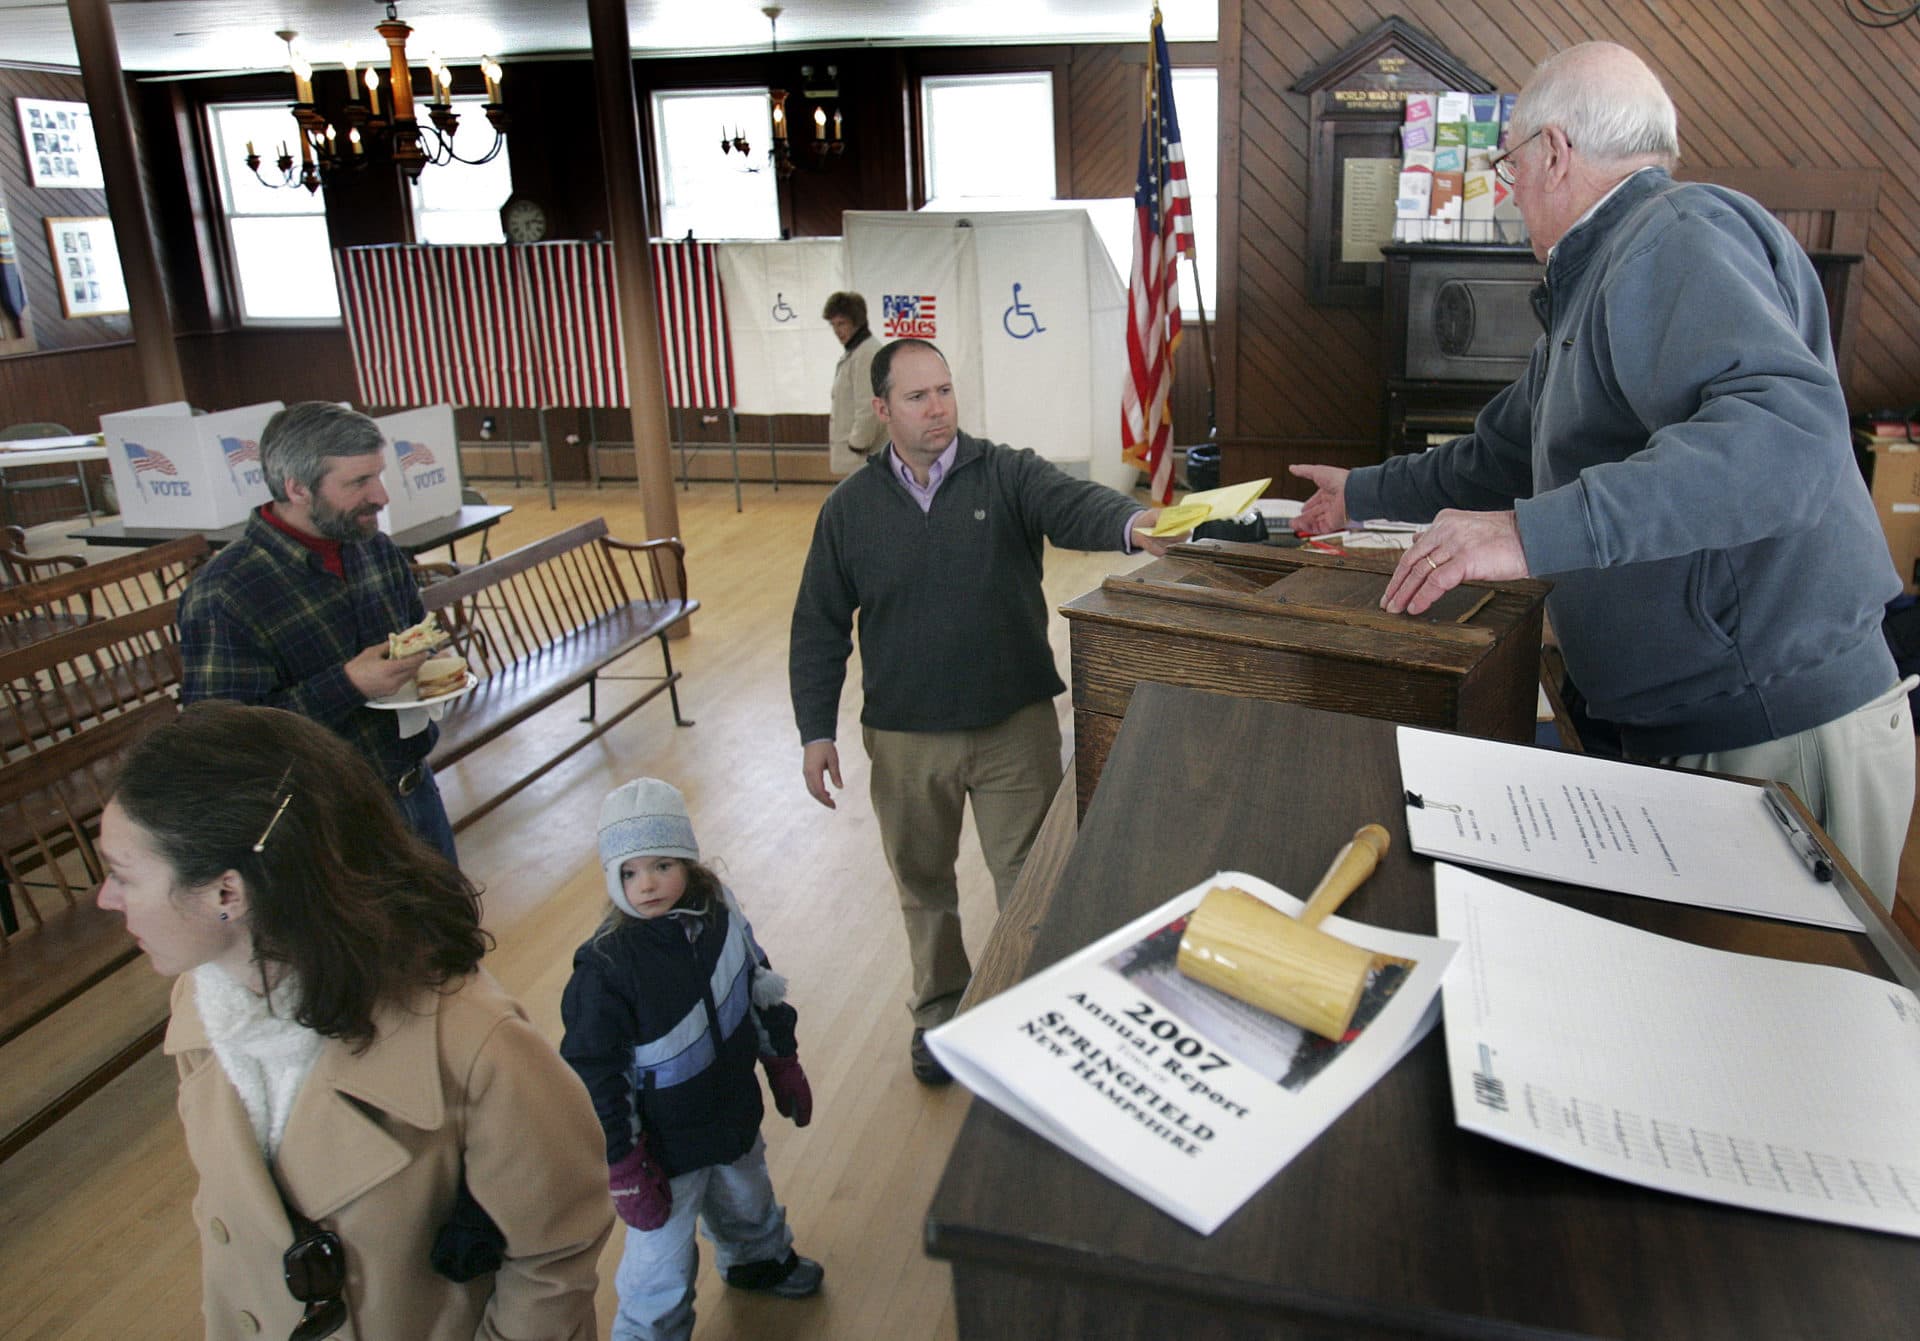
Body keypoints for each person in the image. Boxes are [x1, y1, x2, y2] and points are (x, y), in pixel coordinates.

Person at [1290, 42, 1913, 906]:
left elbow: (1785, 441)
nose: (1508, 190)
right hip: (1696, 723)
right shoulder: (1599, 280)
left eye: (1510, 165)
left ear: (1553, 152)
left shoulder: (1674, 234)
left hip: (1772, 729)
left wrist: (1527, 533)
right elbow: (1496, 456)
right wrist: (1357, 493)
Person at [95, 701, 611, 1340]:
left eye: (122, 876)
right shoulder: (203, 1005)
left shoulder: (473, 1045)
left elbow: (555, 1251)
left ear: (228, 894)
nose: (105, 899)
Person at [789, 338, 1182, 1082]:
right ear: (881, 410)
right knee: (923, 884)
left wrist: (1134, 525)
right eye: (917, 396)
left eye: (944, 391)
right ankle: (940, 1009)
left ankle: (1035, 1011)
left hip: (1014, 727)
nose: (938, 407)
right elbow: (818, 623)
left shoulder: (1003, 472)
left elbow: (1072, 503)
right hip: (906, 738)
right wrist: (815, 729)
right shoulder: (849, 510)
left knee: (1033, 878)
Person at [561, 778, 823, 1341]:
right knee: (660, 1265)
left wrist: (782, 1061)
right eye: (629, 872)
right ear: (612, 878)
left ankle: (758, 1261)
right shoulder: (606, 969)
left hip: (731, 1115)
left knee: (749, 1200)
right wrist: (624, 1164)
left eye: (661, 865)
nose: (647, 884)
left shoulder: (722, 918)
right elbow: (596, 1078)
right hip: (663, 1152)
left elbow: (759, 984)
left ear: (688, 860)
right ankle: (648, 1333)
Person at [179, 400, 459, 863]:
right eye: (358, 482)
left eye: (379, 475)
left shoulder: (375, 550)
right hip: (326, 823)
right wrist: (348, 684)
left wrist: (426, 667)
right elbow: (222, 745)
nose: (382, 496)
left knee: (451, 935)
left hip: (414, 787)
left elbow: (413, 641)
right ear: (297, 488)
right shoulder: (225, 594)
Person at [823, 291, 886, 476]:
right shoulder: (856, 352)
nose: (837, 330)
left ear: (857, 321)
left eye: (841, 323)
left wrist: (857, 445)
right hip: (857, 458)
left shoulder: (866, 354)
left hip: (863, 457)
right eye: (833, 324)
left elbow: (868, 406)